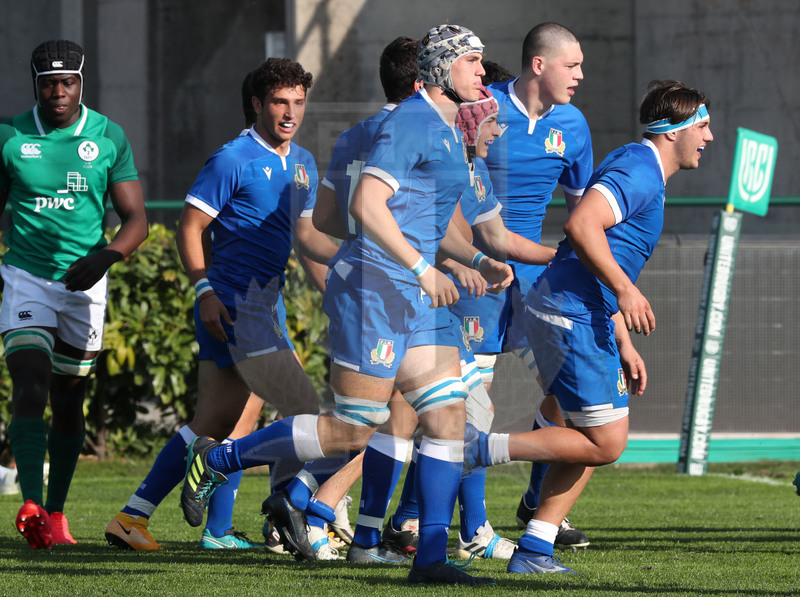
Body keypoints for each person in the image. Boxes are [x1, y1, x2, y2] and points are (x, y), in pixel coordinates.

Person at [179, 24, 512, 586]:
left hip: (418, 299)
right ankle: (218, 460)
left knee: (447, 418)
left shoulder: (449, 127)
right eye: (474, 62)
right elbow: (367, 203)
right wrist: (421, 268)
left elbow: (429, 221)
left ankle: (428, 558)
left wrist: (475, 262)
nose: (482, 72)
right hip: (378, 294)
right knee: (355, 430)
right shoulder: (411, 121)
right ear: (440, 70)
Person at [464, 79, 714, 574]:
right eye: (702, 126)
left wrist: (622, 337)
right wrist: (625, 291)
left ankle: (535, 547)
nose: (709, 137)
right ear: (674, 130)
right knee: (607, 441)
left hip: (580, 312)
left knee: (588, 430)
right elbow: (581, 226)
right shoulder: (640, 169)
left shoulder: (643, 169)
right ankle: (473, 450)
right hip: (569, 312)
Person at [104, 57, 336, 551]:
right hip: (234, 302)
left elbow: (306, 238)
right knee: (305, 411)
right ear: (257, 104)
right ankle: (286, 516)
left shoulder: (304, 163)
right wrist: (203, 290)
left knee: (215, 421)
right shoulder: (232, 159)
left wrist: (341, 286)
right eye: (279, 101)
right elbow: (190, 229)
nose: (290, 112)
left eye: (298, 102)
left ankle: (132, 518)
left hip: (263, 303)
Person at [0, 39, 148, 549]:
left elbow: (137, 220)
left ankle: (56, 515)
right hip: (26, 277)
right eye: (48, 83)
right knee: (30, 385)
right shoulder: (10, 136)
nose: (58, 92)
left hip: (87, 283)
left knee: (68, 401)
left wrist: (103, 258)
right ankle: (33, 507)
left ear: (82, 82)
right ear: (35, 84)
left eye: (67, 82)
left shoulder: (108, 136)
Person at [477, 23, 594, 548]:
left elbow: (582, 210)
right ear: (540, 65)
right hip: (475, 275)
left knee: (569, 395)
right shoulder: (481, 108)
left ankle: (536, 503)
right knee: (467, 402)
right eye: (573, 66)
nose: (581, 76)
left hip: (537, 281)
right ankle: (446, 525)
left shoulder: (573, 124)